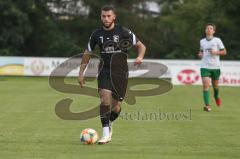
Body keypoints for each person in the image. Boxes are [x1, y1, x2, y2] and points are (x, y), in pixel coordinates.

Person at [78, 5, 146, 144]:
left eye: (109, 16)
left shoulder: (123, 31)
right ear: (100, 17)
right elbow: (87, 52)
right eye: (103, 16)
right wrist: (81, 72)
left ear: (114, 16)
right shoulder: (96, 34)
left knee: (116, 107)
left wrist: (140, 56)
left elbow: (141, 46)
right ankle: (105, 134)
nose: (106, 18)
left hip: (120, 73)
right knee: (104, 100)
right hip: (104, 71)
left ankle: (109, 122)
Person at [198, 23, 227, 112]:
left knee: (215, 87)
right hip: (205, 66)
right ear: (205, 30)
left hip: (215, 67)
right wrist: (200, 54)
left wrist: (216, 52)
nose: (209, 30)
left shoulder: (217, 40)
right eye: (207, 28)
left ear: (214, 31)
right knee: (205, 86)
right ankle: (207, 106)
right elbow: (201, 52)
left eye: (211, 28)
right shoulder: (202, 41)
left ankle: (216, 96)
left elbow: (224, 52)